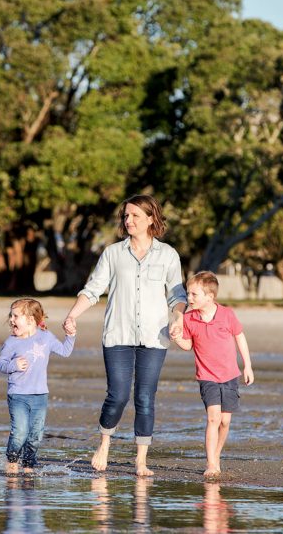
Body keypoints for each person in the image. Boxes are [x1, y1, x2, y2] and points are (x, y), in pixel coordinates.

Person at [63, 194, 187, 477]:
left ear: (151, 219)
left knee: (145, 397)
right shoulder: (113, 253)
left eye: (134, 216)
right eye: (126, 216)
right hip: (117, 335)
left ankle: (141, 460)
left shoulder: (168, 255)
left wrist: (178, 317)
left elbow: (177, 295)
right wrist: (72, 315)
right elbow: (93, 289)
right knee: (117, 395)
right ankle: (104, 443)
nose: (128, 221)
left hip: (155, 337)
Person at [169, 270, 254, 478]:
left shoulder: (227, 314)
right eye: (188, 294)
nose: (188, 298)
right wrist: (178, 338)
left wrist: (248, 365)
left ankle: (216, 454)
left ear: (210, 296)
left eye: (193, 295)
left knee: (225, 421)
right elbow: (188, 345)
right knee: (213, 419)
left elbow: (240, 337)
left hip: (230, 376)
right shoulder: (189, 318)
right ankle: (211, 463)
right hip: (207, 377)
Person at [0, 297, 76, 474]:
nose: (11, 319)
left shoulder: (46, 338)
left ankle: (28, 466)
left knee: (36, 435)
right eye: (11, 315)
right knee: (20, 432)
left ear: (31, 320)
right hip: (17, 395)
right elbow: (0, 364)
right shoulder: (11, 342)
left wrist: (71, 335)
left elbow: (65, 351)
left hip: (40, 395)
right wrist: (13, 366)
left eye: (16, 316)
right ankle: (12, 461)